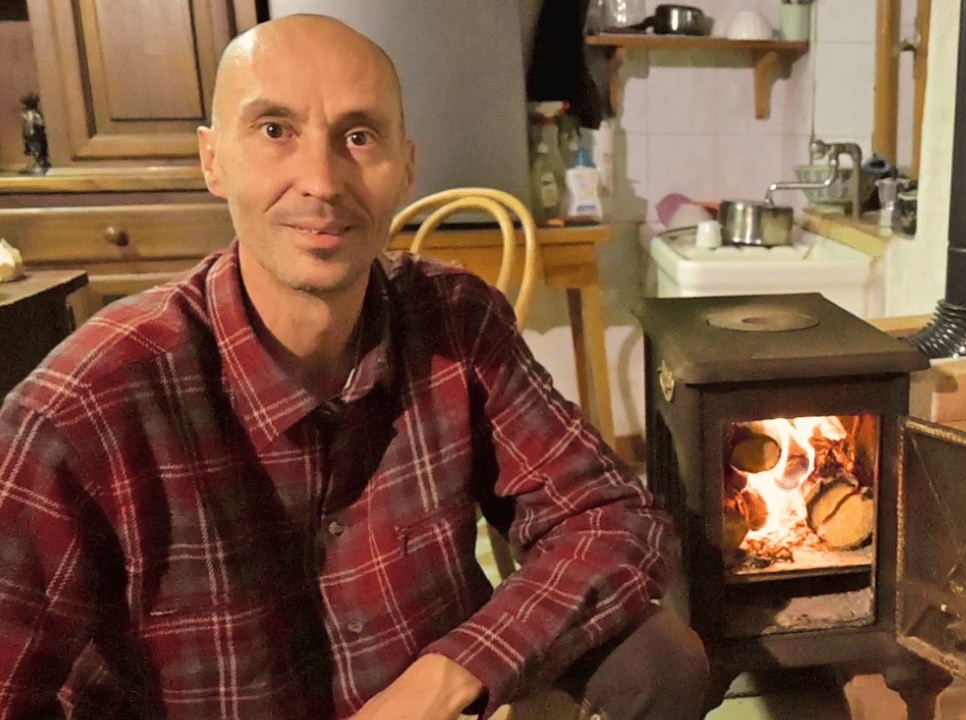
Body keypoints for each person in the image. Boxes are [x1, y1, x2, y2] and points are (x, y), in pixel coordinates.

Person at [0, 14, 708, 720]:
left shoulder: (454, 321)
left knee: (659, 660)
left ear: (405, 167)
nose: (322, 180)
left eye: (359, 137)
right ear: (212, 160)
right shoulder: (81, 407)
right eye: (275, 130)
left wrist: (446, 675)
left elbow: (615, 518)